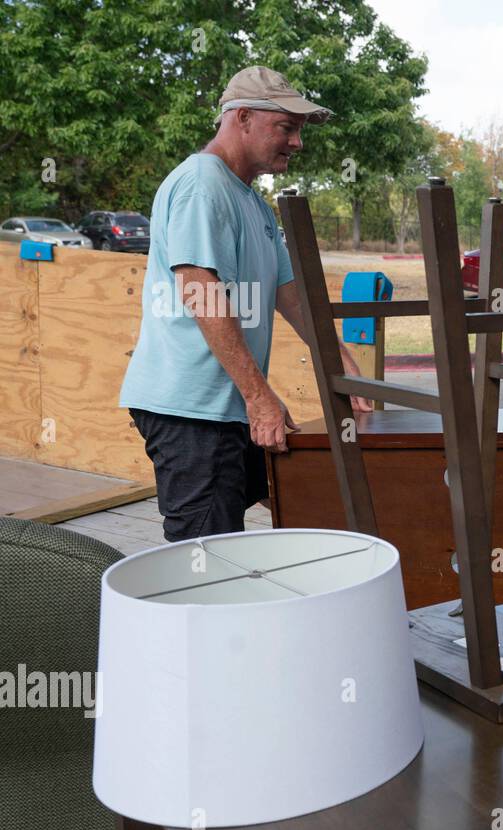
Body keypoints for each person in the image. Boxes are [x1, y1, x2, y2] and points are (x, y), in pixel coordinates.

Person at [119, 66, 370, 542]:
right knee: (206, 556)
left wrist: (338, 358)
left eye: (297, 131)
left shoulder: (251, 202)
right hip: (190, 411)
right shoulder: (201, 185)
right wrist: (260, 398)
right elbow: (201, 292)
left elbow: (289, 295)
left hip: (227, 405)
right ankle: (201, 614)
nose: (297, 143)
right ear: (243, 118)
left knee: (298, 490)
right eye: (286, 128)